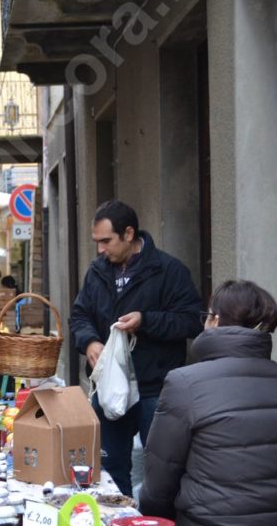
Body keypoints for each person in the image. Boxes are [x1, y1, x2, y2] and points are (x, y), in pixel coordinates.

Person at [140, 280, 277, 526]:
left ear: (215, 321)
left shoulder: (184, 383)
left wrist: (158, 523)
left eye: (207, 314)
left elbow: (158, 483)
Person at [69, 200, 202, 495]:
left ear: (129, 234)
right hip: (108, 386)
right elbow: (79, 315)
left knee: (163, 472)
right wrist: (89, 341)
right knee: (109, 468)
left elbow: (191, 321)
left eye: (106, 241)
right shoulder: (97, 272)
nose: (100, 249)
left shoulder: (168, 270)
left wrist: (146, 320)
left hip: (156, 388)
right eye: (97, 242)